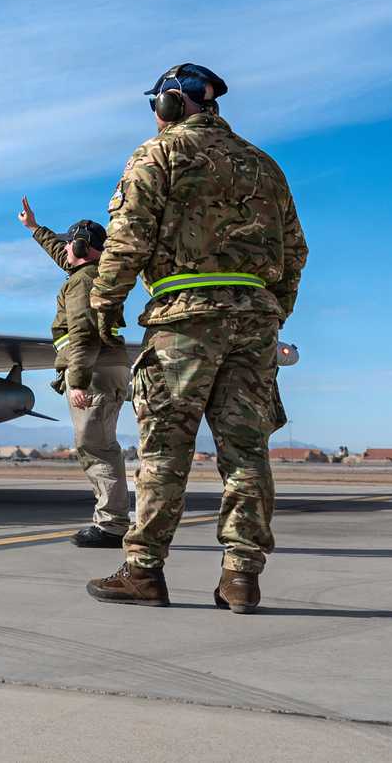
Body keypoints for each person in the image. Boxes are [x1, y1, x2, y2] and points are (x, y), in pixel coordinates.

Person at [80, 64, 307, 613]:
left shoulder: (157, 155)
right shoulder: (265, 167)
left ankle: (144, 571)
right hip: (254, 322)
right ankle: (241, 577)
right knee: (247, 452)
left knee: (164, 451)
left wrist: (104, 305)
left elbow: (128, 237)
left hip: (184, 320)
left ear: (172, 105)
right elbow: (295, 252)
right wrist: (273, 312)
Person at [18, 199, 132, 548]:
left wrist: (77, 381)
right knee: (101, 445)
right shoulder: (91, 275)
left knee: (96, 447)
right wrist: (34, 228)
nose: (65, 247)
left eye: (71, 242)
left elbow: (82, 333)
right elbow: (63, 254)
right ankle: (112, 519)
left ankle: (111, 525)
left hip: (93, 372)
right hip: (107, 368)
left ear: (82, 247)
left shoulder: (82, 284)